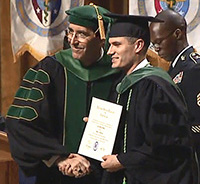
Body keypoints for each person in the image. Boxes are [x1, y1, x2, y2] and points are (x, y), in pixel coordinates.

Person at [6, 4, 120, 184]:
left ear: (101, 38)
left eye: (82, 34)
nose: (72, 40)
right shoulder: (50, 69)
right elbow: (19, 122)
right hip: (56, 176)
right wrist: (59, 157)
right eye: (70, 32)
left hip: (106, 175)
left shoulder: (119, 73)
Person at [97, 13, 198, 184]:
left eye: (116, 45)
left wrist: (123, 160)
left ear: (138, 46)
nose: (109, 51)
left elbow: (166, 146)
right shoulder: (124, 85)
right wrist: (100, 125)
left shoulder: (154, 87)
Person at [150, 9, 200, 168]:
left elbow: (197, 124)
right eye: (153, 44)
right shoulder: (174, 68)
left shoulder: (194, 69)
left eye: (159, 42)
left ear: (177, 34)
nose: (156, 48)